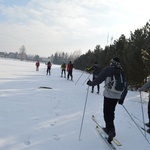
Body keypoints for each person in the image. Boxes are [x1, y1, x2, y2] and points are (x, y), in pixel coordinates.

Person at [87, 57, 128, 143]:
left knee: (106, 112)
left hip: (108, 95)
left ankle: (111, 129)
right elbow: (125, 86)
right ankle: (109, 128)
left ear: (112, 62)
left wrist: (91, 83)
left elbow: (99, 79)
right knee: (111, 112)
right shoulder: (121, 71)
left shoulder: (108, 69)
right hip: (117, 96)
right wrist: (122, 98)